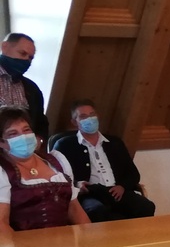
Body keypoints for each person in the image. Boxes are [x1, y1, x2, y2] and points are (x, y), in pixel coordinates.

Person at [53, 99, 155, 222]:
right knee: (96, 210)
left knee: (146, 207)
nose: (89, 119)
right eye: (83, 116)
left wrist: (122, 186)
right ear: (75, 122)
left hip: (117, 192)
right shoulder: (65, 145)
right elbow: (58, 176)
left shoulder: (115, 143)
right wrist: (78, 184)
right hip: (89, 194)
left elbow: (133, 173)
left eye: (92, 115)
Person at [0, 105, 89, 234]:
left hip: (65, 241)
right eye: (13, 133)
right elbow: (1, 223)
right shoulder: (3, 170)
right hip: (24, 244)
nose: (23, 136)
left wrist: (90, 240)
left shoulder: (57, 161)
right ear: (1, 142)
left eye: (26, 130)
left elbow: (74, 209)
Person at [0, 33, 48, 141]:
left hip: (24, 148)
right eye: (22, 53)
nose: (26, 60)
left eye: (30, 58)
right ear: (4, 47)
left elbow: (41, 121)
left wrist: (39, 139)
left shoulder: (32, 88)